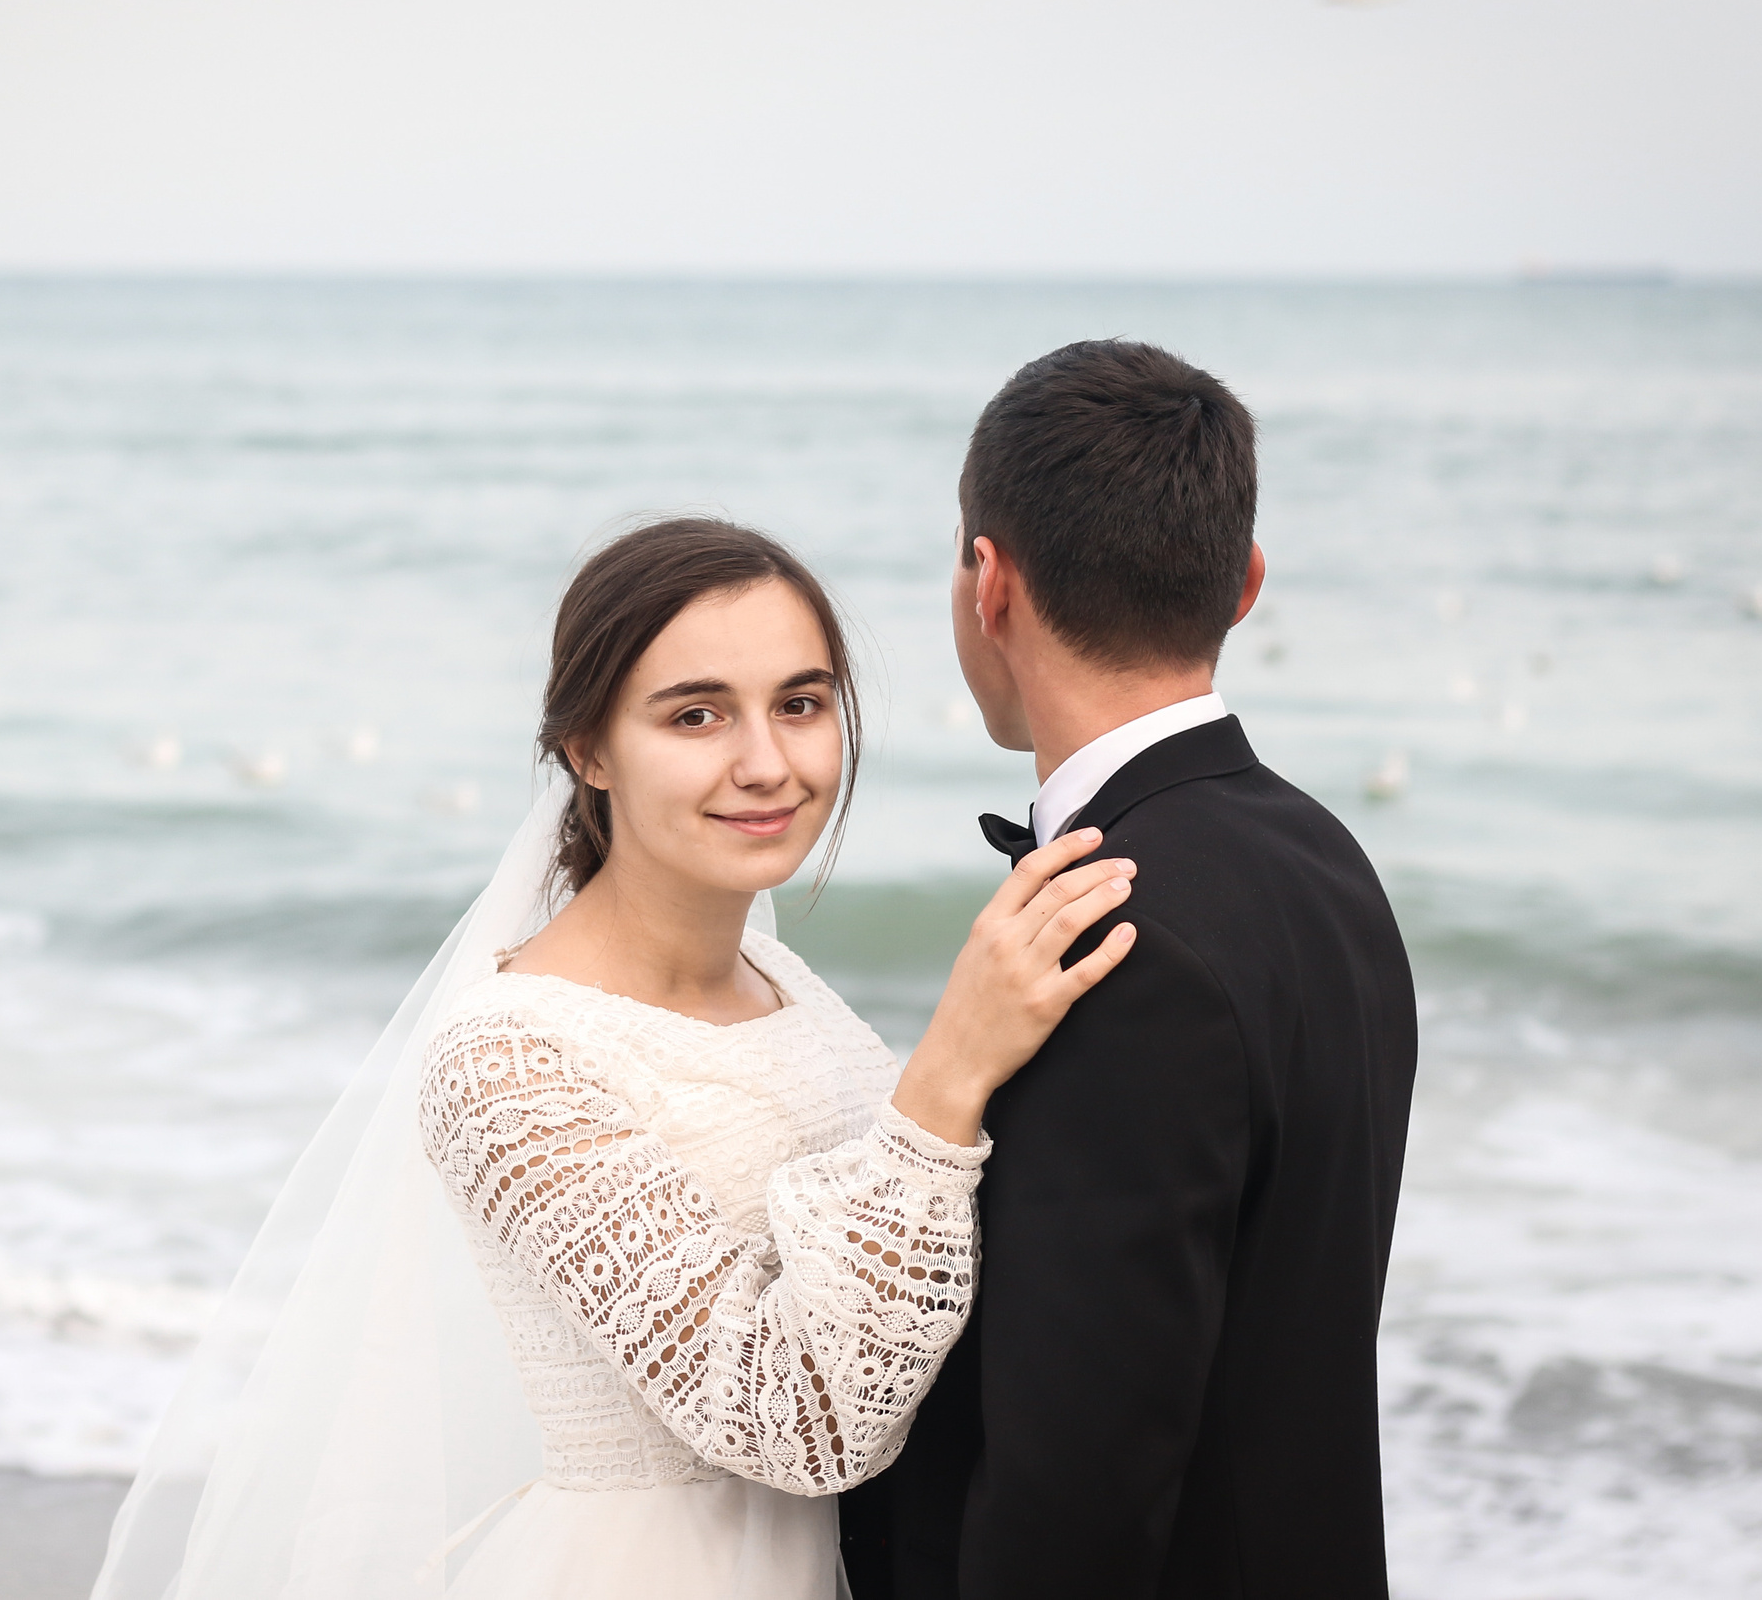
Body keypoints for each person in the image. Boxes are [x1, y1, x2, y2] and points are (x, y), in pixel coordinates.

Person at [90, 516, 1137, 1600]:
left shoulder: (796, 996)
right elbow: (798, 1423)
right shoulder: (506, 1060)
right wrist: (948, 1073)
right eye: (696, 715)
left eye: (801, 703)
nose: (767, 763)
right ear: (588, 749)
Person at [839, 340, 1419, 1600]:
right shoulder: (1330, 862)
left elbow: (1075, 1486)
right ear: (1245, 583)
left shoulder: (1113, 937)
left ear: (989, 584)